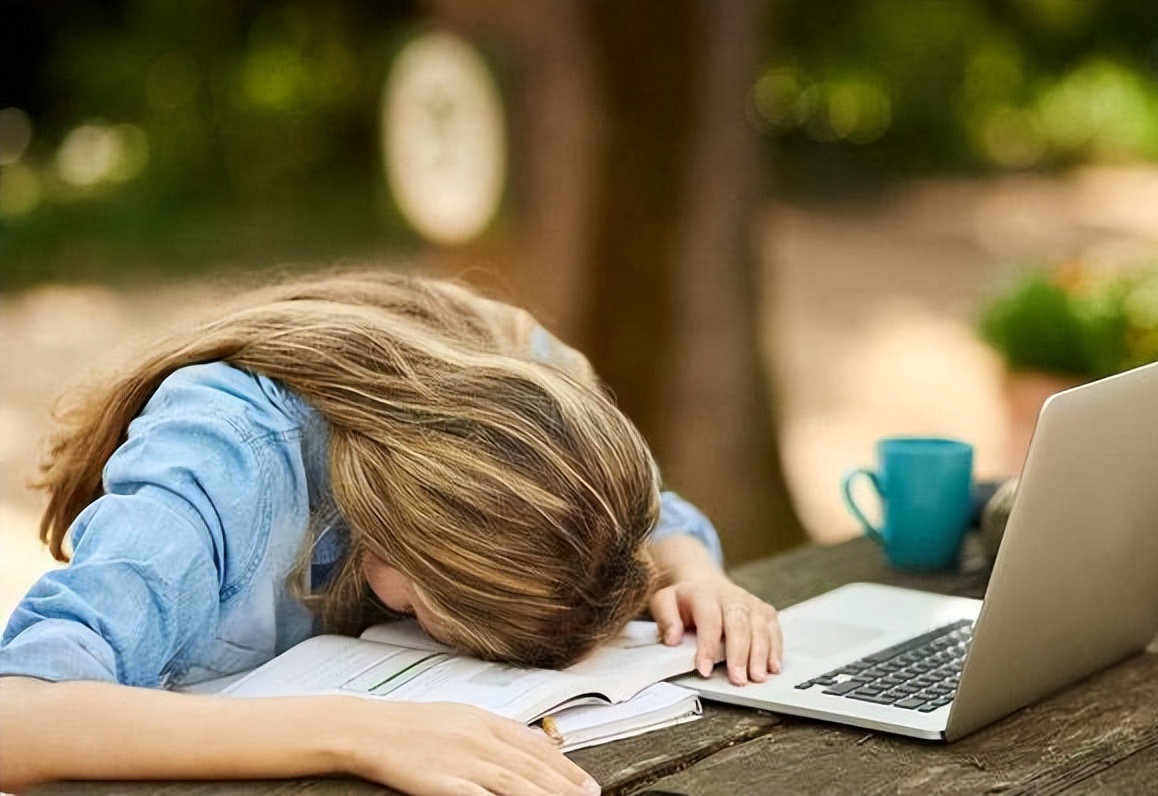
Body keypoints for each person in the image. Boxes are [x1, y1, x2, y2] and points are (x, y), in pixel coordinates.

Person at [0, 270, 783, 795]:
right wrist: (355, 732)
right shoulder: (227, 455)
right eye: (449, 623)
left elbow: (644, 505)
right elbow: (19, 716)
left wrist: (691, 571)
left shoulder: (512, 367)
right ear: (398, 571)